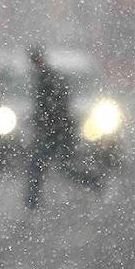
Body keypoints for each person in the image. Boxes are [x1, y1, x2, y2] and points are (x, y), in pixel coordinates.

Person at [24, 44, 96, 209]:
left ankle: (31, 204)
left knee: (44, 167)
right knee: (58, 167)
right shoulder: (47, 77)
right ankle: (93, 182)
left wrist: (44, 122)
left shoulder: (47, 79)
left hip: (55, 132)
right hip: (57, 131)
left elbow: (53, 107)